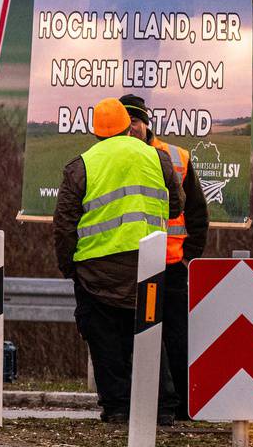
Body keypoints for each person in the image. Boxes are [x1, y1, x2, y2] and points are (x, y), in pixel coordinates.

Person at [53, 97, 182, 423]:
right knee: (151, 333)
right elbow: (177, 204)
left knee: (105, 339)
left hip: (97, 270)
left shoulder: (80, 166)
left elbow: (65, 224)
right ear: (128, 126)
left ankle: (118, 409)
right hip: (148, 263)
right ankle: (163, 409)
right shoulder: (159, 157)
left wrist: (70, 267)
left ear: (95, 132)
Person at [120, 93, 209, 422]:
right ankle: (144, 405)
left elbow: (198, 213)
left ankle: (182, 407)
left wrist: (189, 258)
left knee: (177, 338)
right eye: (126, 122)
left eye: (137, 122)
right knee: (134, 338)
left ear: (146, 124)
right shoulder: (113, 158)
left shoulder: (176, 156)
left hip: (171, 265)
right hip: (130, 263)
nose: (132, 129)